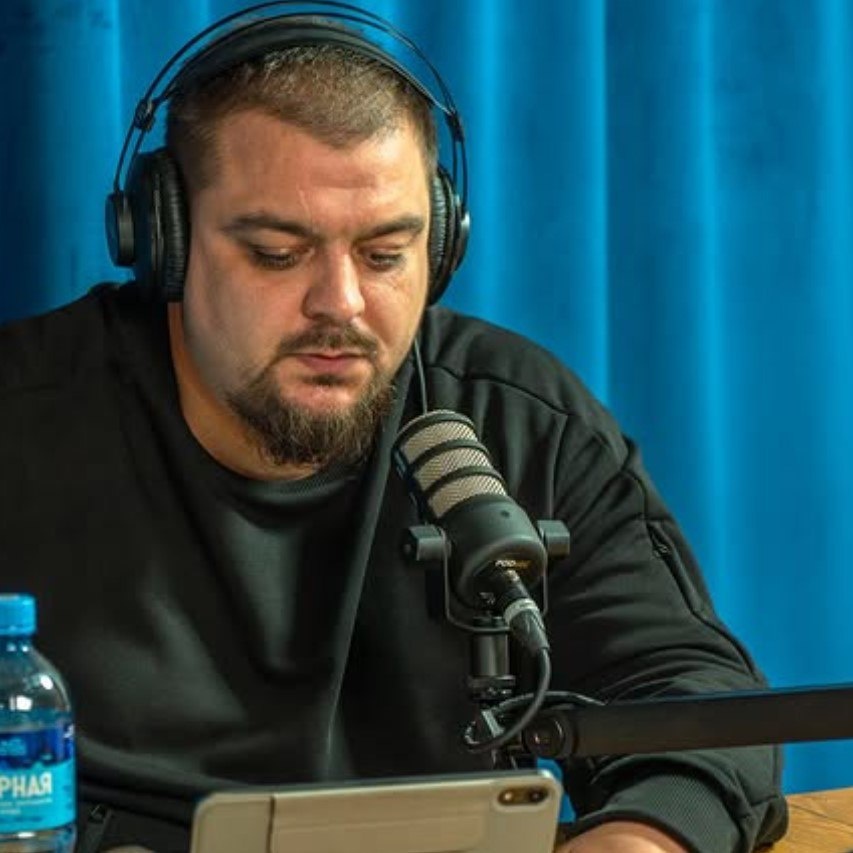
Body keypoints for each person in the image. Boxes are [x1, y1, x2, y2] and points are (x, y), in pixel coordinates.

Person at [0, 5, 787, 853]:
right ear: (163, 239)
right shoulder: (24, 420)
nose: (340, 304)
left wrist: (643, 837)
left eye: (383, 255)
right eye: (276, 253)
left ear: (440, 247)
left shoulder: (518, 418)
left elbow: (696, 699)